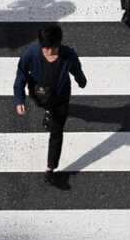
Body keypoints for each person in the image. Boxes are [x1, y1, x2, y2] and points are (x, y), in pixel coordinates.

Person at [14, 24, 87, 186]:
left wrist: (81, 81)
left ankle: (50, 168)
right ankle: (48, 113)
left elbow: (76, 69)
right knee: (47, 109)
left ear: (59, 44)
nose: (48, 53)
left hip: (61, 99)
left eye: (52, 49)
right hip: (39, 94)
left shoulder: (68, 55)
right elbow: (21, 77)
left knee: (57, 132)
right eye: (45, 48)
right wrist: (20, 99)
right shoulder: (30, 55)